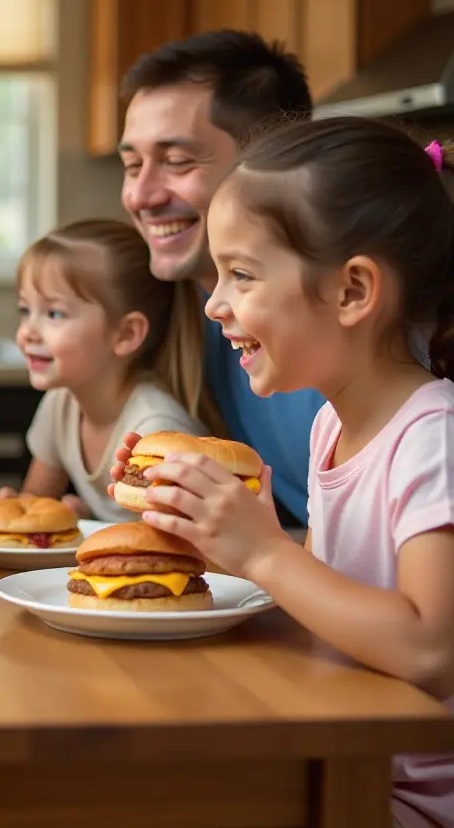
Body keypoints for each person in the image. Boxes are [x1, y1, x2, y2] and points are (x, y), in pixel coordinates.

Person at [112, 118, 454, 828]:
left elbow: (429, 649)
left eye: (241, 273)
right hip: (338, 751)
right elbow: (341, 609)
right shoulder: (334, 425)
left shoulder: (433, 436)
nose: (214, 303)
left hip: (405, 800)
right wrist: (220, 535)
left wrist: (264, 553)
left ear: (353, 291)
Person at [117, 30, 324, 525]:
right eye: (131, 164)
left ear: (273, 162)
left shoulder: (340, 327)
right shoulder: (188, 315)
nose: (141, 195)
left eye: (177, 161)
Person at [0, 219, 215, 522]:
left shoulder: (153, 428)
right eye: (26, 310)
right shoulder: (61, 402)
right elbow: (35, 505)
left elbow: (176, 543)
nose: (27, 332)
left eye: (54, 313)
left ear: (126, 334)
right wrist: (15, 511)